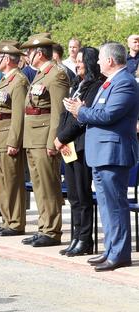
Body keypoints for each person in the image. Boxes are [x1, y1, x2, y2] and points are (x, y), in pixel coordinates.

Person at [64, 42, 139, 271]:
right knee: (106, 206)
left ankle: (120, 254)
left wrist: (81, 111)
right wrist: (83, 109)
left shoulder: (125, 82)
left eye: (100, 59)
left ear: (109, 61)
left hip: (113, 153)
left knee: (115, 205)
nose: (96, 62)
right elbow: (100, 112)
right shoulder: (110, 82)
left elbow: (109, 114)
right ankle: (110, 250)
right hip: (101, 154)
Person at [19, 33, 70, 247]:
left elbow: (58, 112)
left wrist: (53, 142)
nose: (27, 56)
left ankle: (52, 230)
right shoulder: (41, 74)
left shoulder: (56, 74)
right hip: (33, 138)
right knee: (39, 186)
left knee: (49, 186)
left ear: (39, 53)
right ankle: (43, 227)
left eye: (30, 52)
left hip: (45, 138)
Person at [53, 47, 103, 257]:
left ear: (90, 63)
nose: (77, 64)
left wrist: (61, 138)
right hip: (68, 146)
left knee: (82, 195)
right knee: (73, 195)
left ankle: (85, 239)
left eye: (81, 61)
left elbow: (80, 119)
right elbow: (66, 115)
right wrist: (59, 137)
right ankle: (75, 236)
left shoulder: (95, 86)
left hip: (80, 146)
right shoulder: (77, 85)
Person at [0, 42, 29, 237]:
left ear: (7, 59)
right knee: (1, 182)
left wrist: (14, 141)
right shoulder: (5, 80)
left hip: (7, 136)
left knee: (12, 180)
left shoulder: (18, 81)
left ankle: (16, 222)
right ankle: (7, 220)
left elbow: (19, 114)